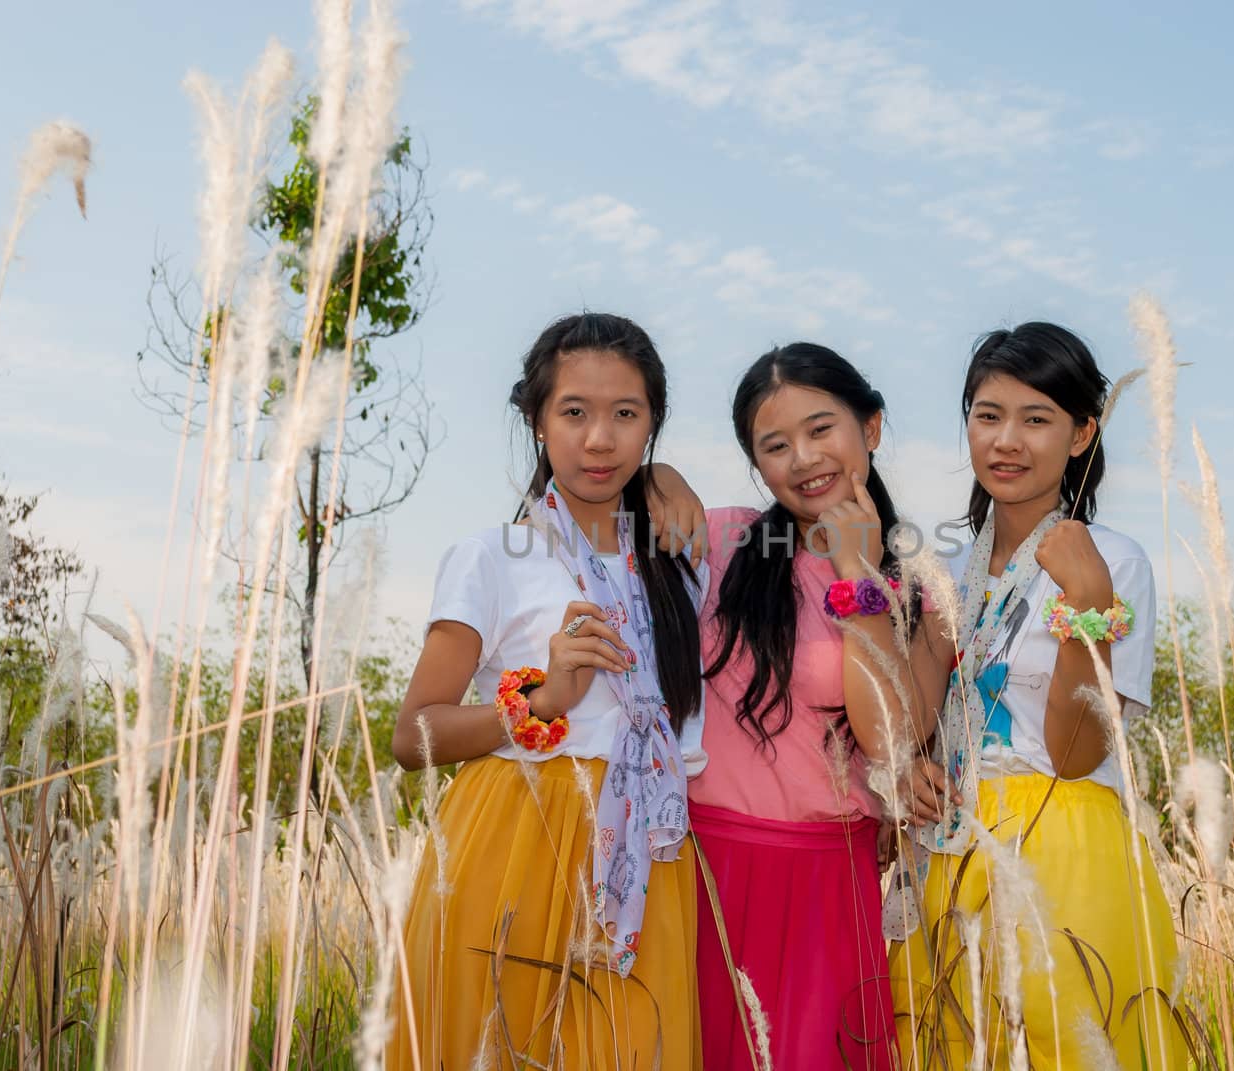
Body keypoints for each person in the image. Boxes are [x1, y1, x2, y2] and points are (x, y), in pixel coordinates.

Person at [387, 312, 709, 1071]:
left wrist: (670, 479)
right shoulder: (492, 556)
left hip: (646, 850)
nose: (600, 439)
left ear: (652, 424)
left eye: (625, 414)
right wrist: (540, 698)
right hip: (514, 839)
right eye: (574, 412)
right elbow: (413, 736)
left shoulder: (681, 557)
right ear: (537, 421)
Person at [888, 322, 1189, 1070]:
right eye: (988, 415)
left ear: (1082, 432)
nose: (1006, 440)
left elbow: (1077, 752)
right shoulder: (945, 571)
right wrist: (912, 765)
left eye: (1037, 418)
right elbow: (916, 724)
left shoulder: (1112, 559)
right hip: (948, 849)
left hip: (1061, 838)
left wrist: (1087, 597)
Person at [687, 343, 942, 1071]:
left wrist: (857, 572)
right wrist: (663, 477)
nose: (802, 458)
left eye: (821, 428)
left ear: (872, 427)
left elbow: (895, 735)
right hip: (706, 870)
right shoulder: (720, 538)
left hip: (829, 882)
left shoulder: (920, 585)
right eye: (775, 445)